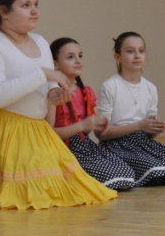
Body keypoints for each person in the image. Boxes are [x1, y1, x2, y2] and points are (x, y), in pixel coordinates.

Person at [0, 0, 117, 210]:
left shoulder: (40, 41)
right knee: (27, 199)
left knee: (66, 193)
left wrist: (55, 94)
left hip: (37, 131)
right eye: (26, 5)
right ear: (4, 11)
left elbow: (47, 87)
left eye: (36, 4)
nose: (35, 11)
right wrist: (43, 75)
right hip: (1, 131)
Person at [95, 32, 165, 186]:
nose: (137, 56)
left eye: (141, 51)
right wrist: (138, 126)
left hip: (142, 143)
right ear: (117, 57)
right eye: (130, 51)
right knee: (154, 170)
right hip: (117, 144)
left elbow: (148, 131)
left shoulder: (150, 88)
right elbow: (101, 134)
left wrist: (153, 129)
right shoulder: (110, 86)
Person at [50, 37, 135, 191]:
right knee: (113, 178)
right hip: (64, 150)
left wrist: (99, 123)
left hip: (86, 146)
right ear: (55, 64)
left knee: (127, 173)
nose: (78, 61)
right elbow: (49, 134)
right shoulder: (53, 94)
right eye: (70, 57)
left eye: (80, 56)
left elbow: (91, 126)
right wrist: (82, 125)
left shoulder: (86, 91)